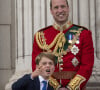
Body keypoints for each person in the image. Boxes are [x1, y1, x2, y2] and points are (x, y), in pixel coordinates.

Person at [32, 0, 94, 90]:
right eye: (56, 7)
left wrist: (71, 87)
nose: (60, 10)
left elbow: (87, 65)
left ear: (68, 9)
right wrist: (55, 87)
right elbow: (36, 66)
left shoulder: (83, 34)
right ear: (51, 11)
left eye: (63, 6)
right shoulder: (41, 36)